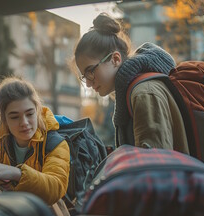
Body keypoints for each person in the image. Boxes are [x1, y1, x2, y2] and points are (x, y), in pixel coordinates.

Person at [74, 13, 189, 154]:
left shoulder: (144, 93)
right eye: (84, 77)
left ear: (115, 59)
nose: (88, 84)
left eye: (91, 71)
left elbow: (156, 166)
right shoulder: (133, 92)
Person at [0, 77, 70, 205]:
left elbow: (56, 188)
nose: (24, 123)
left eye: (29, 114)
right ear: (4, 119)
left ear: (38, 111)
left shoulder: (55, 144)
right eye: (14, 117)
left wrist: (17, 174)